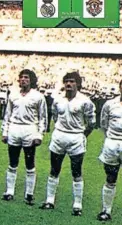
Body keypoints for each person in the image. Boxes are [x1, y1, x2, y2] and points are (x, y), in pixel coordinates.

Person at [40, 71, 95, 216]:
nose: (69, 84)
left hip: (76, 137)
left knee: (76, 171)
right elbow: (55, 116)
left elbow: (91, 123)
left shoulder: (85, 101)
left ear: (78, 84)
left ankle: (77, 204)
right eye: (67, 81)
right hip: (59, 136)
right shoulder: (58, 99)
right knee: (54, 169)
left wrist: (82, 135)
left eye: (72, 81)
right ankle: (49, 200)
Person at [1, 69, 47, 205]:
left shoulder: (38, 96)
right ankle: (9, 191)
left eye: (26, 77)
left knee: (29, 163)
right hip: (15, 129)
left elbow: (43, 117)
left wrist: (39, 135)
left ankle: (29, 194)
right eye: (21, 77)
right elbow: (7, 115)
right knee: (12, 162)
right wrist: (5, 132)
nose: (23, 80)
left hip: (29, 129)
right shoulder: (13, 95)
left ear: (31, 80)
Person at [96, 76, 122, 225]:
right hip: (112, 144)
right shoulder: (109, 104)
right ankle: (106, 211)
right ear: (119, 86)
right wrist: (112, 139)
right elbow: (104, 124)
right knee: (110, 178)